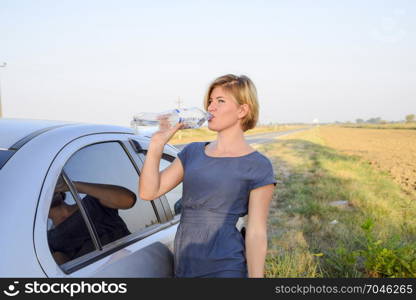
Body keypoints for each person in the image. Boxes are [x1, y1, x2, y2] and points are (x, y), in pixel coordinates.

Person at [139, 74, 277, 278]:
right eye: (211, 101)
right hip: (185, 264)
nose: (211, 107)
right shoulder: (192, 152)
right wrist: (157, 144)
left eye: (220, 101)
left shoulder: (258, 165)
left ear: (242, 110)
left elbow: (256, 232)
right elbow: (149, 192)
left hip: (226, 265)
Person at [48, 175, 136, 265]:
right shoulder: (49, 242)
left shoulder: (92, 201)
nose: (47, 193)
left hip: (137, 256)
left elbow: (129, 200)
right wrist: (107, 265)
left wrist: (71, 185)